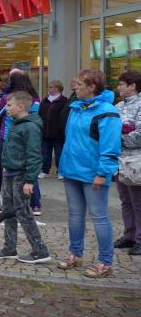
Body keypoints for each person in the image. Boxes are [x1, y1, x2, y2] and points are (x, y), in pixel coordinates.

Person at [58, 69, 121, 278]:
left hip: (94, 173)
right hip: (72, 170)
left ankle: (105, 262)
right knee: (75, 215)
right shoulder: (76, 107)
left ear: (92, 87)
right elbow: (69, 138)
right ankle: (75, 253)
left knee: (99, 217)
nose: (75, 87)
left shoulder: (107, 112)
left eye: (80, 84)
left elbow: (110, 147)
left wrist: (102, 173)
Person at [0, 91, 51, 264]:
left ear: (21, 107)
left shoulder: (30, 127)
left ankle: (40, 250)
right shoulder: (16, 123)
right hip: (9, 173)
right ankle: (9, 247)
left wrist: (30, 180)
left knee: (24, 213)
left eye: (9, 105)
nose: (6, 108)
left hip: (21, 175)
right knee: (9, 211)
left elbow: (35, 155)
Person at [115, 70, 141, 256]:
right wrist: (123, 132)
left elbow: (139, 135)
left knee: (137, 201)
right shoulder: (118, 105)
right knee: (125, 200)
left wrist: (119, 137)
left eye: (122, 84)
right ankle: (129, 235)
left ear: (133, 86)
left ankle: (140, 238)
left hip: (136, 161)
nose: (118, 87)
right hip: (120, 160)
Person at [37, 80, 68, 179]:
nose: (48, 89)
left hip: (58, 133)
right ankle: (45, 171)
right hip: (45, 132)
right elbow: (40, 114)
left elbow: (64, 117)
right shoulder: (45, 100)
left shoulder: (64, 101)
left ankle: (61, 171)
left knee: (59, 153)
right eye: (49, 87)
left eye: (51, 87)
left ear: (57, 88)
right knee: (45, 153)